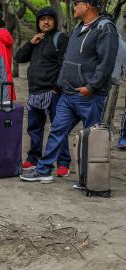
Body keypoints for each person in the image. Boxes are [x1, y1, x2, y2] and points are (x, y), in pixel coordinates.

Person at [20, 0, 119, 187]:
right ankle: (43, 170)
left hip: (89, 95)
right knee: (57, 130)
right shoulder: (78, 28)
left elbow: (106, 62)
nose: (74, 7)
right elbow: (67, 60)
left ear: (87, 5)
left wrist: (91, 87)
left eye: (77, 3)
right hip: (68, 93)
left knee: (91, 138)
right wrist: (61, 85)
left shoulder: (105, 29)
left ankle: (90, 178)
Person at [15, 7, 71, 177]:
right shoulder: (37, 40)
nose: (46, 22)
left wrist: (56, 88)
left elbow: (64, 65)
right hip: (35, 93)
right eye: (42, 19)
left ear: (54, 21)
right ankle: (33, 159)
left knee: (58, 128)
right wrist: (31, 42)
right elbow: (19, 57)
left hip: (53, 93)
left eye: (49, 19)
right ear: (38, 22)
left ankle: (63, 163)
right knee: (34, 128)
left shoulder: (60, 38)